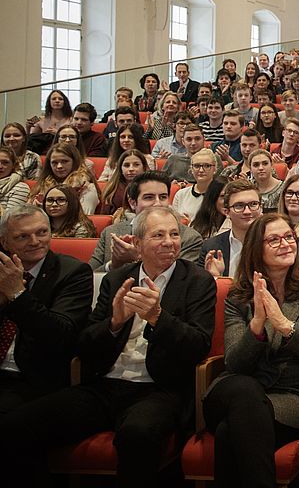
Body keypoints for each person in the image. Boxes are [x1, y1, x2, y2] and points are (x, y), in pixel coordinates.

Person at [0, 206, 216, 487]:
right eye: (158, 235)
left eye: (174, 234)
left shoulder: (198, 281)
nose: (169, 242)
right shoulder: (116, 278)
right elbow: (84, 343)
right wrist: (113, 324)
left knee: (138, 433)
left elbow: (198, 346)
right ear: (137, 243)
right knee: (18, 426)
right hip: (103, 385)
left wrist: (158, 318)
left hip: (158, 388)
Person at [201, 213, 299, 487]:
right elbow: (235, 364)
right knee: (245, 391)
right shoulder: (239, 294)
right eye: (273, 240)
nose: (285, 244)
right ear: (256, 249)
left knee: (230, 433)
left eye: (289, 237)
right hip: (236, 390)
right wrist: (257, 324)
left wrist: (284, 324)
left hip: (292, 399)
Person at [0, 204, 93, 412]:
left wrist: (17, 294)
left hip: (33, 378)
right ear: (4, 242)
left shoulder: (73, 272)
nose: (35, 242)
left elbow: (61, 334)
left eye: (42, 232)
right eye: (22, 237)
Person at [90, 170, 204, 270]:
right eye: (149, 197)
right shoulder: (111, 233)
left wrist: (138, 258)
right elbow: (89, 277)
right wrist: (114, 264)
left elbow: (181, 280)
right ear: (132, 203)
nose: (158, 203)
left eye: (163, 197)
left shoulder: (189, 238)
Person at [200, 179, 262, 278]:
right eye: (239, 206)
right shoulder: (211, 247)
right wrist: (216, 278)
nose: (247, 211)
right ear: (226, 212)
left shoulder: (273, 244)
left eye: (253, 204)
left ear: (261, 208)